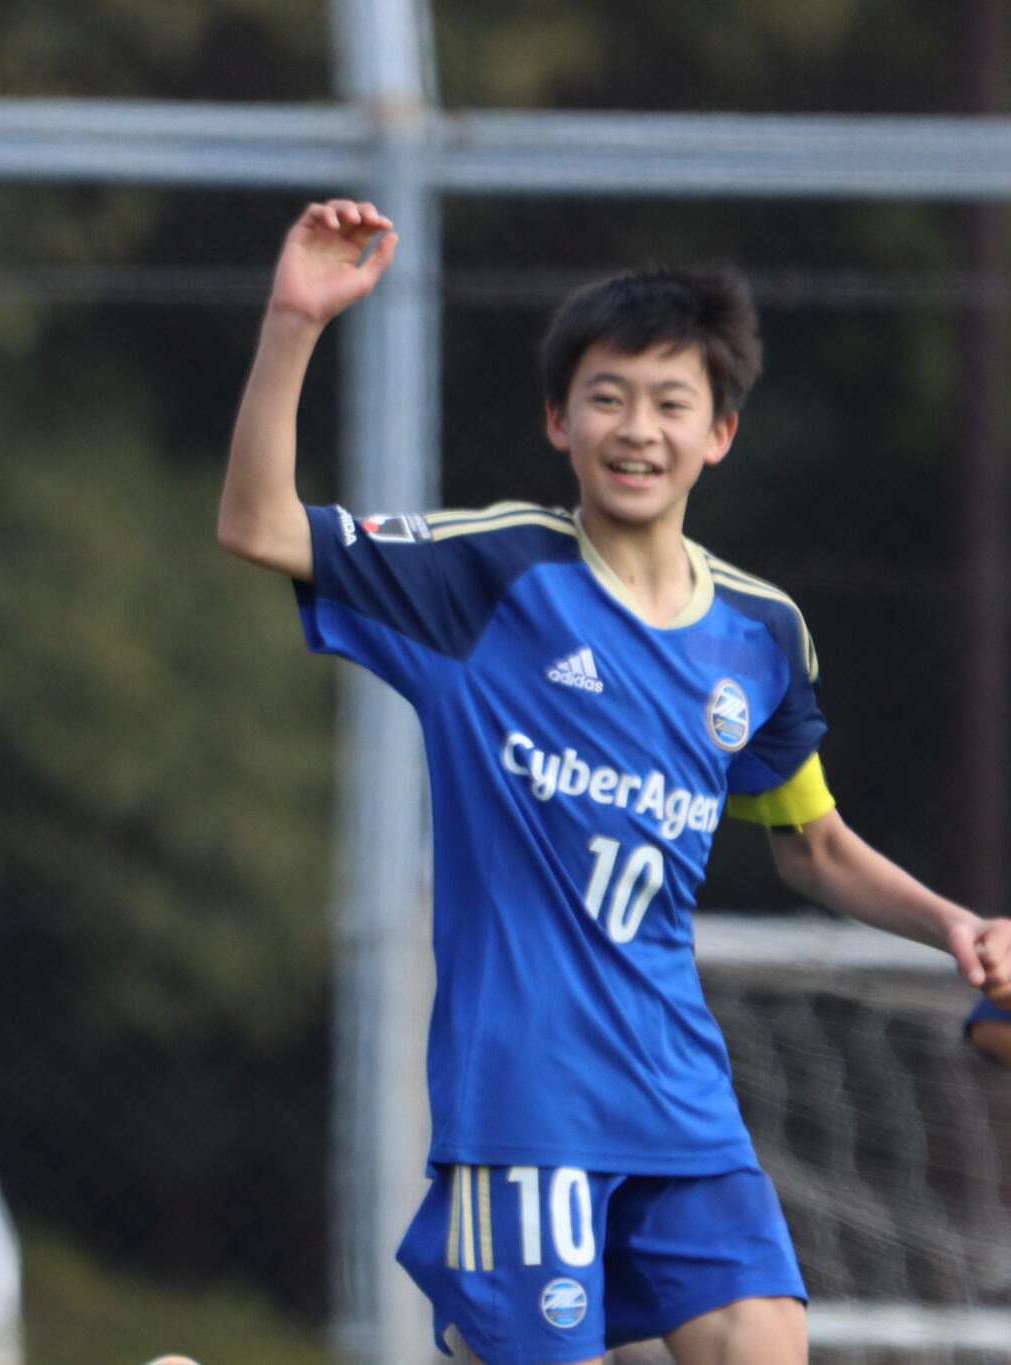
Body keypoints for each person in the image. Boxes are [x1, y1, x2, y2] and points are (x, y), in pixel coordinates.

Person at [217, 200, 1011, 1365]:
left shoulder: (759, 635)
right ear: (558, 420)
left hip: (680, 1100)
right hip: (524, 1109)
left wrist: (954, 926)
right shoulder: (486, 576)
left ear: (718, 433)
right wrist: (294, 321)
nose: (636, 428)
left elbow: (813, 845)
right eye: (606, 396)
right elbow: (255, 523)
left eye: (669, 402)